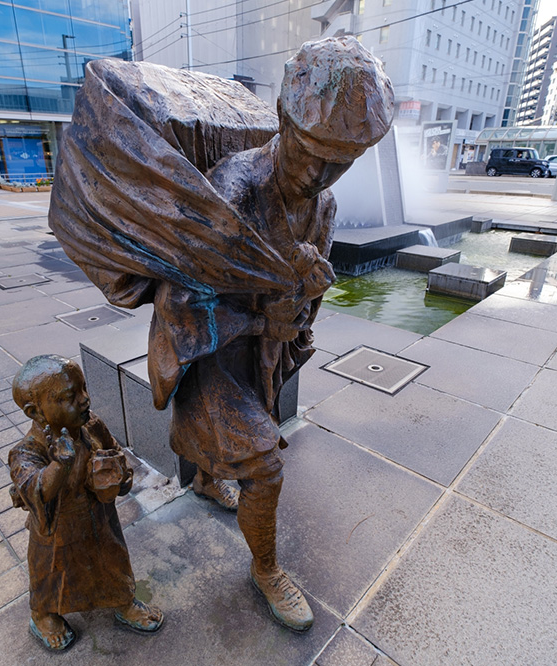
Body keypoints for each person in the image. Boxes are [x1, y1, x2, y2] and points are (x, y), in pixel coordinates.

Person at [149, 36, 394, 632]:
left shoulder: (323, 204)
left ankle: (207, 479)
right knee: (264, 466)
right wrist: (264, 317)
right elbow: (182, 299)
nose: (320, 175)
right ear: (284, 117)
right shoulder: (235, 190)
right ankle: (266, 570)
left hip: (261, 353)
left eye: (342, 161)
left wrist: (309, 289)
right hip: (212, 355)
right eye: (312, 153)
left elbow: (301, 291)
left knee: (250, 429)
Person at [8, 355, 163, 651]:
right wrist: (60, 464)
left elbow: (116, 453)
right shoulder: (26, 452)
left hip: (99, 516)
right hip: (57, 531)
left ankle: (123, 600)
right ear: (35, 411)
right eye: (69, 397)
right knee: (51, 575)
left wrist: (121, 477)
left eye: (83, 388)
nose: (84, 399)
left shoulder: (91, 425)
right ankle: (43, 615)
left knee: (112, 560)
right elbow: (34, 488)